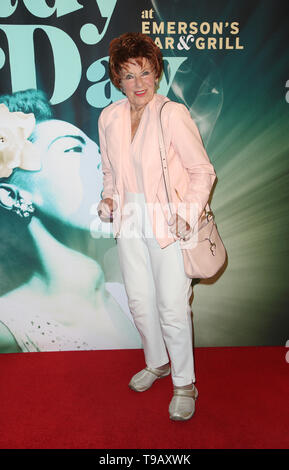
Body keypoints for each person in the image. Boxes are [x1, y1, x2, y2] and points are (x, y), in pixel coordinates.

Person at [97, 32, 216, 421]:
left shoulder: (172, 114)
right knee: (139, 303)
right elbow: (111, 170)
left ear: (157, 73)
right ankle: (157, 362)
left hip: (168, 220)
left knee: (171, 305)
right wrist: (110, 198)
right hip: (129, 218)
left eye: (146, 72)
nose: (139, 83)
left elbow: (202, 171)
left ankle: (185, 382)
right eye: (129, 75)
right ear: (117, 78)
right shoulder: (109, 117)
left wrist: (188, 212)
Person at [0, 89, 141, 353]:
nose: (105, 164)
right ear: (10, 195)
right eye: (73, 148)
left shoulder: (140, 302)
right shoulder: (7, 334)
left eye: (101, 152)